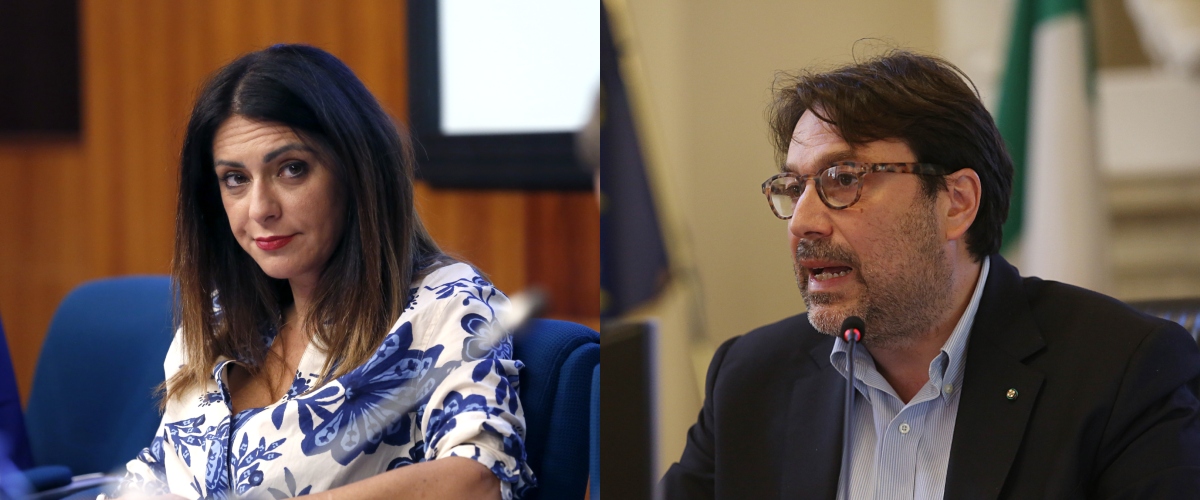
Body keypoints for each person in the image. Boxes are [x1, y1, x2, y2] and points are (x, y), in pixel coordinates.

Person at [661, 50, 1200, 499]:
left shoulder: (1121, 370)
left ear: (956, 202)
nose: (802, 221)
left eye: (843, 179)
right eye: (793, 188)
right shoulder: (751, 379)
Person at [111, 44, 534, 500]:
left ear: (356, 171)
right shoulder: (218, 318)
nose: (260, 209)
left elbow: (481, 477)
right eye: (235, 179)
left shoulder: (446, 302)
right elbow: (155, 474)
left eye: (292, 170)